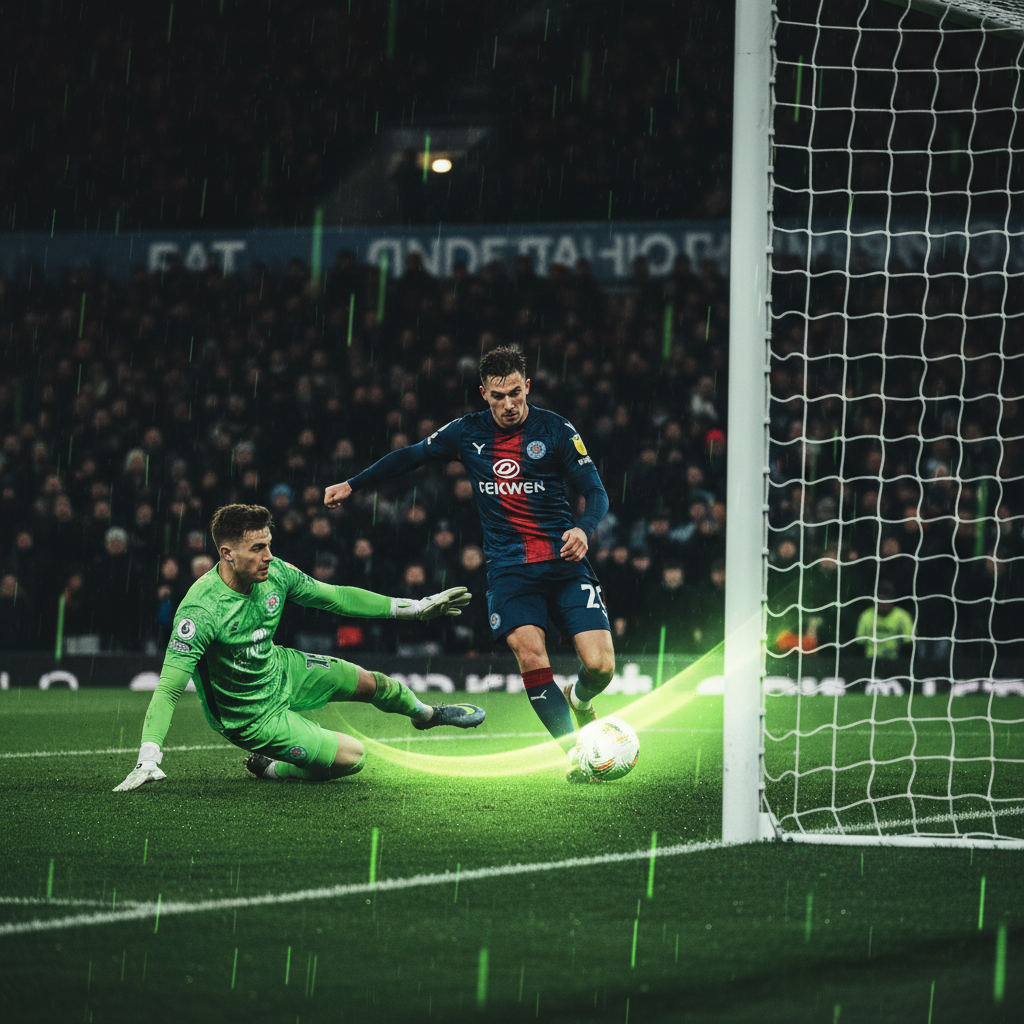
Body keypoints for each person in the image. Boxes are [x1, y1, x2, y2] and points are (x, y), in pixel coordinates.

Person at [325, 344, 615, 782]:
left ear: (527, 387)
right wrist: (353, 483)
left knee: (601, 667)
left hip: (563, 562)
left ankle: (579, 697)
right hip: (509, 569)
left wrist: (584, 529)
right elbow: (411, 455)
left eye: (515, 393)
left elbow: (596, 492)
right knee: (532, 657)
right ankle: (577, 755)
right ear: (483, 393)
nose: (508, 404)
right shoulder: (467, 432)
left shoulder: (556, 429)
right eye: (498, 396)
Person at [114, 504, 483, 792]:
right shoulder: (201, 610)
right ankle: (272, 768)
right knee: (353, 758)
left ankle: (426, 715)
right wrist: (148, 755)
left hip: (280, 668)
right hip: (249, 715)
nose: (268, 556)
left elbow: (337, 597)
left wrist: (415, 608)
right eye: (257, 548)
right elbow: (169, 687)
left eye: (268, 545)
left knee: (372, 683)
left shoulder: (276, 572)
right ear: (227, 553)